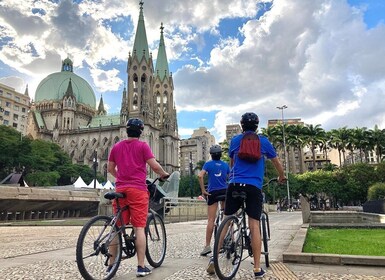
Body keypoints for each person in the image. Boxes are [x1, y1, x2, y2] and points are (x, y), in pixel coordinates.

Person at [225, 112, 286, 278]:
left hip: (234, 184)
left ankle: (213, 259)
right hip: (253, 187)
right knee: (254, 225)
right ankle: (257, 268)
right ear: (257, 126)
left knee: (227, 219)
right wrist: (281, 176)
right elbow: (276, 162)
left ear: (242, 125)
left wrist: (232, 176)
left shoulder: (234, 140)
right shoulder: (264, 142)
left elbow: (232, 162)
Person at [107, 118, 169, 277]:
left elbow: (110, 169)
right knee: (139, 227)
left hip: (120, 188)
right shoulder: (142, 146)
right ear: (141, 132)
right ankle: (141, 267)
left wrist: (121, 176)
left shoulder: (116, 146)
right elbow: (154, 166)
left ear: (127, 130)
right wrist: (163, 174)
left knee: (116, 227)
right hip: (137, 190)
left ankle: (111, 264)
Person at [198, 145, 230, 259]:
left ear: (211, 155)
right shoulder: (226, 165)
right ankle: (229, 238)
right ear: (221, 154)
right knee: (227, 217)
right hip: (225, 192)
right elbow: (230, 178)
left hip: (212, 193)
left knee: (211, 220)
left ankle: (207, 246)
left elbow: (200, 176)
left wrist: (203, 190)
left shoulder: (208, 164)